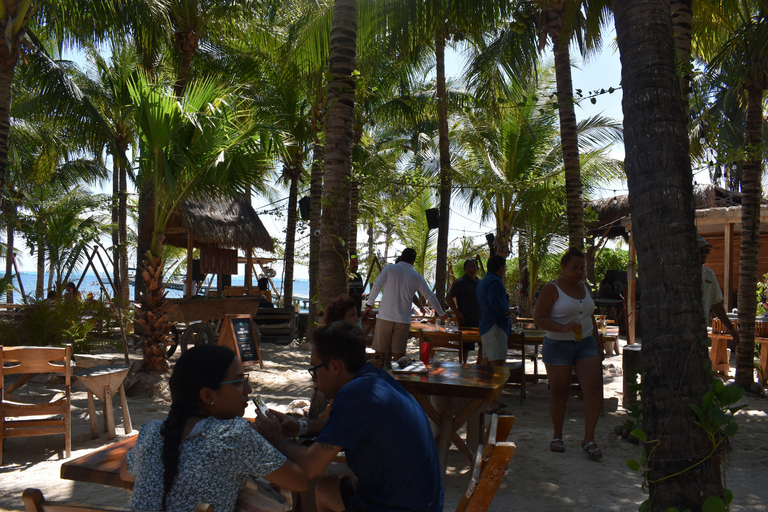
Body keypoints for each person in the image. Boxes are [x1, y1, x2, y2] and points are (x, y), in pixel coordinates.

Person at [253, 321, 444, 512]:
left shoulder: (355, 394)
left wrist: (276, 438)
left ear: (335, 366)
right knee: (327, 488)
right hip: (423, 501)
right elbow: (345, 424)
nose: (314, 379)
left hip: (405, 506)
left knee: (322, 488)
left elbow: (311, 466)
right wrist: (301, 426)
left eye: (315, 370)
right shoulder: (375, 379)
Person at [122, 345, 307, 512]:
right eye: (238, 382)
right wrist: (275, 438)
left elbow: (125, 473)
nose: (248, 390)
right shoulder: (233, 435)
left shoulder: (151, 431)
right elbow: (300, 482)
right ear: (208, 395)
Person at [533, 247, 603, 460]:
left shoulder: (585, 288)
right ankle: (557, 436)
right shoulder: (551, 289)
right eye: (574, 268)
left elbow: (590, 316)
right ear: (563, 267)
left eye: (582, 268)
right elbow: (539, 318)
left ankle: (589, 439)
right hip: (558, 346)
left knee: (593, 389)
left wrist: (598, 344)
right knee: (560, 391)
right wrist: (560, 327)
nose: (579, 272)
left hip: (586, 343)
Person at [363, 248, 446, 362]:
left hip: (385, 317)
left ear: (401, 258)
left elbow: (377, 286)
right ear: (413, 261)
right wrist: (441, 313)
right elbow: (430, 296)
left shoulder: (390, 269)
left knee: (379, 354)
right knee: (399, 356)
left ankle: (378, 377)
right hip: (403, 321)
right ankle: (398, 379)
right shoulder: (417, 277)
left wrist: (369, 304)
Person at [476, 254, 516, 414]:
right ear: (501, 268)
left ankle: (488, 399)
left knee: (486, 364)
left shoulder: (483, 281)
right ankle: (491, 403)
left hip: (486, 326)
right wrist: (507, 312)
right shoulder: (494, 281)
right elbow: (494, 299)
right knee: (497, 366)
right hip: (495, 326)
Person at [699, 236, 739, 348]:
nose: (704, 254)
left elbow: (716, 304)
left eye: (707, 251)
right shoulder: (680, 274)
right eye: (700, 251)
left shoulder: (709, 274)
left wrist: (730, 328)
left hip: (700, 329)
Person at [446, 258, 482, 362]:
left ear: (477, 268)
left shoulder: (480, 283)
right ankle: (463, 366)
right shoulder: (460, 282)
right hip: (466, 320)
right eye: (469, 266)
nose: (472, 269)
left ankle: (478, 368)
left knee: (484, 346)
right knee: (466, 347)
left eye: (474, 266)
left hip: (481, 319)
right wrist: (457, 313)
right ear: (465, 269)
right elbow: (448, 297)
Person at [347, 252, 365, 319]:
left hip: (357, 314)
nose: (356, 265)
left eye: (357, 263)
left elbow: (361, 291)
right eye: (353, 263)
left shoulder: (358, 276)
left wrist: (363, 294)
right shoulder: (345, 277)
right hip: (347, 315)